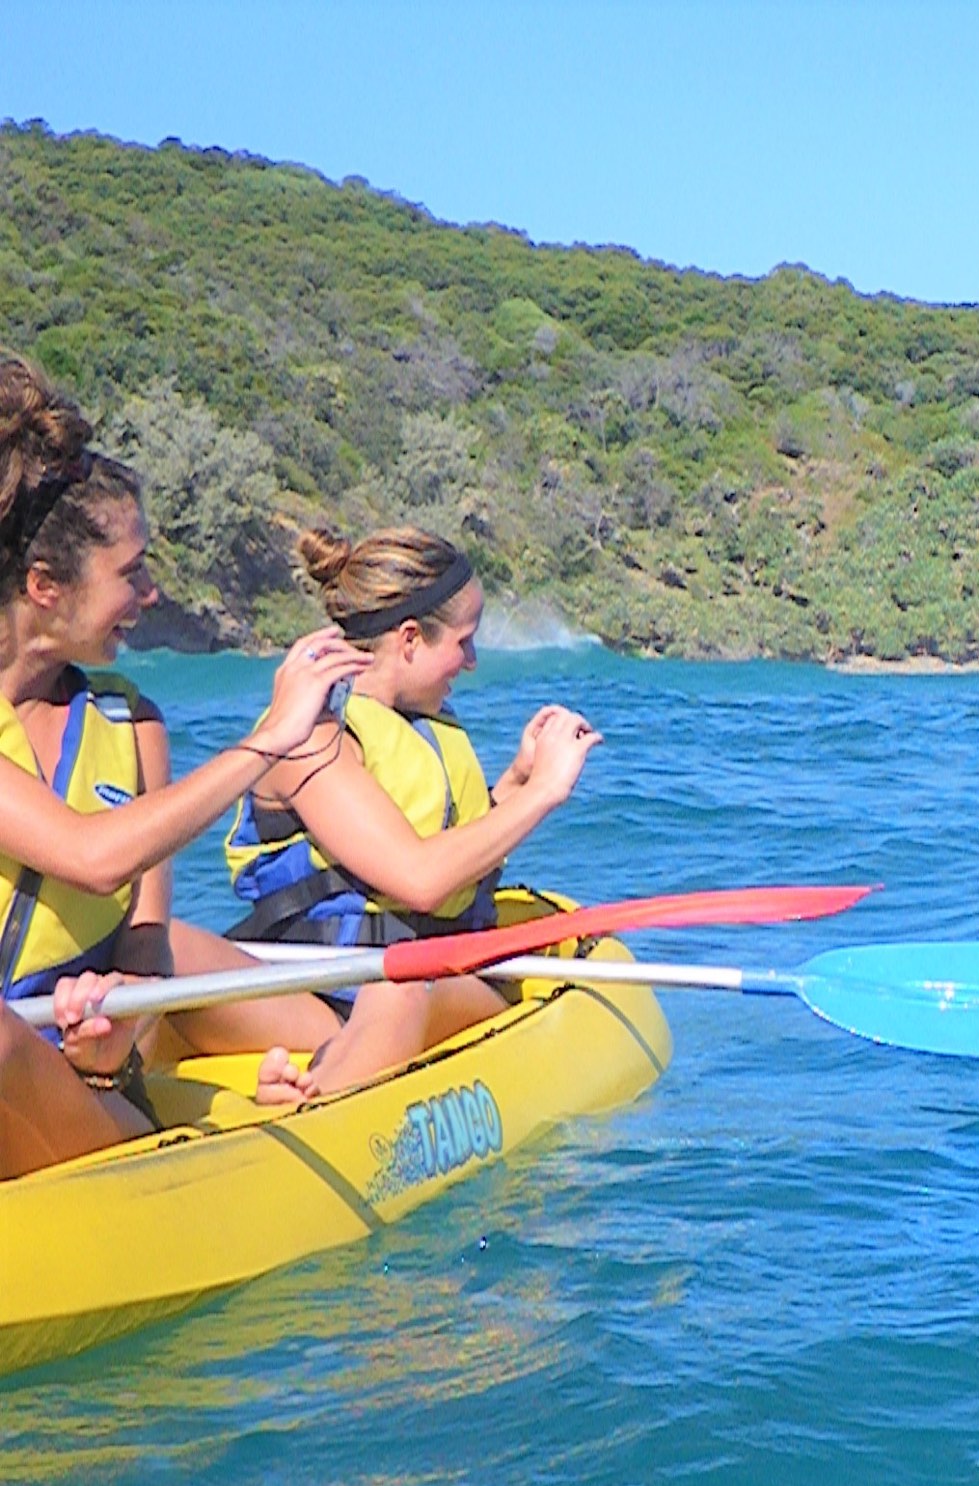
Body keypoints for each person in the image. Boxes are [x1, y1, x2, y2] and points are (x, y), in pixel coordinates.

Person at [0, 354, 368, 1177]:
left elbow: (144, 945)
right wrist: (265, 741)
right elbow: (93, 858)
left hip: (89, 1095)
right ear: (44, 585)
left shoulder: (133, 725)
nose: (153, 594)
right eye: (131, 573)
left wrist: (108, 1040)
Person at [228, 525, 599, 1104]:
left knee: (396, 987)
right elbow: (419, 879)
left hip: (424, 984)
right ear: (408, 640)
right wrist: (544, 792)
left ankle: (315, 1097)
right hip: (317, 988)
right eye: (463, 642)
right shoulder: (312, 736)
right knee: (161, 948)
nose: (471, 662)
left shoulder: (419, 723)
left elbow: (440, 863)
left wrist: (515, 784)